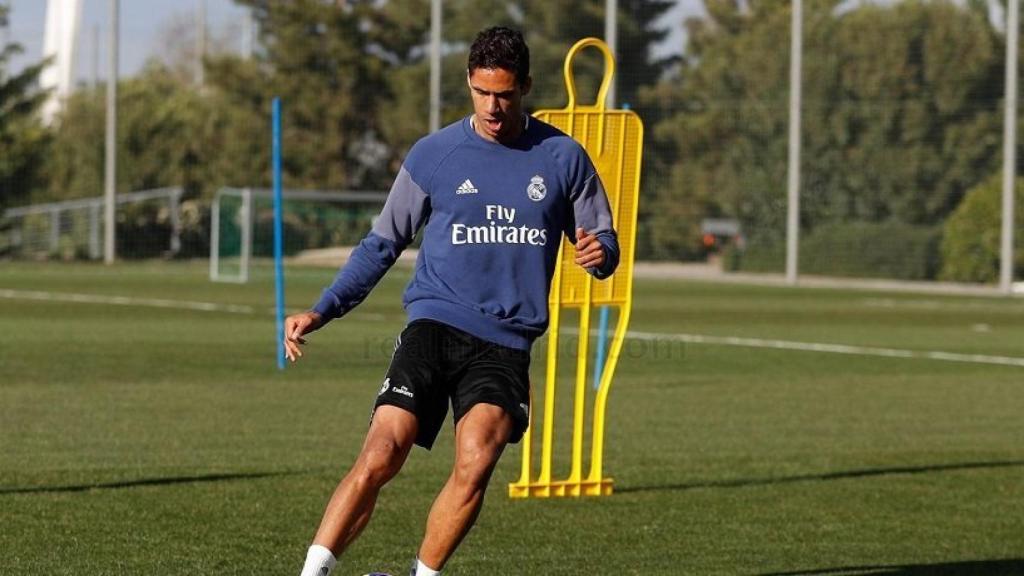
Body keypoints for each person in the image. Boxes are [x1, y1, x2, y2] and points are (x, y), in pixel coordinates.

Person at [285, 26, 620, 576]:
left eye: (505, 94)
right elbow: (382, 243)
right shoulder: (435, 154)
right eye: (483, 92)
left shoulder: (563, 158)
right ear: (469, 82)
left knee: (477, 459)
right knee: (381, 452)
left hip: (505, 343)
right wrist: (323, 308)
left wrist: (597, 254)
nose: (493, 106)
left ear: (526, 87)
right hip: (434, 324)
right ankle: (312, 572)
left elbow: (603, 242)